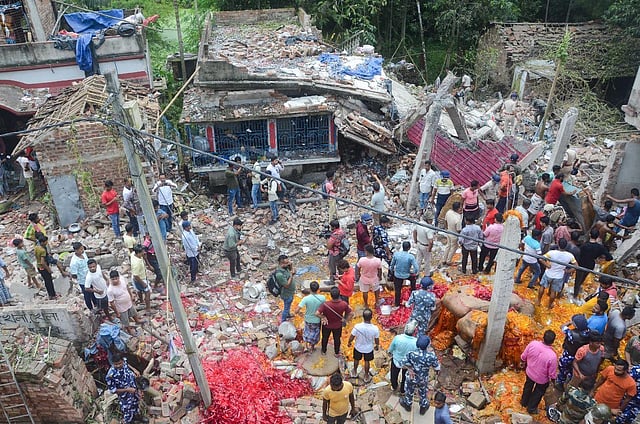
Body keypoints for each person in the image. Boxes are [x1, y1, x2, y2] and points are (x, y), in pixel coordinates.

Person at [400, 335, 440, 415]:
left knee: (409, 391)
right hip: (423, 378)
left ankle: (407, 404)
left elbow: (402, 363)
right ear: (428, 345)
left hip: (411, 377)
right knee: (423, 392)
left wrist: (409, 369)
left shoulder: (411, 354)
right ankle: (423, 407)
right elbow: (437, 368)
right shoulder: (431, 356)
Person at [520, 330, 558, 415]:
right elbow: (552, 374)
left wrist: (522, 362)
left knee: (528, 386)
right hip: (541, 380)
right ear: (553, 341)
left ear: (543, 337)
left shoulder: (533, 344)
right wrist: (553, 382)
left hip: (530, 372)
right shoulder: (552, 356)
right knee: (538, 392)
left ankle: (524, 402)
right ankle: (531, 408)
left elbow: (523, 356)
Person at [106, 353, 148, 424]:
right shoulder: (110, 375)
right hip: (125, 396)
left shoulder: (124, 362)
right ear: (113, 363)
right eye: (116, 364)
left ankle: (136, 417)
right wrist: (127, 390)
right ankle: (129, 421)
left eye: (120, 363)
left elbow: (127, 364)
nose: (118, 366)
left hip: (134, 388)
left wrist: (134, 370)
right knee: (127, 410)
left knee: (136, 404)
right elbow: (113, 390)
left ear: (122, 360)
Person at [537, 238, 576, 309]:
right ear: (566, 246)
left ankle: (538, 301)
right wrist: (568, 271)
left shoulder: (552, 252)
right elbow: (576, 266)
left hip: (548, 273)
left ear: (558, 244)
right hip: (559, 276)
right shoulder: (570, 255)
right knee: (553, 291)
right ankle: (549, 305)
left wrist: (547, 265)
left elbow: (540, 258)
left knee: (542, 286)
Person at [574, 228, 612, 298]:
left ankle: (575, 294)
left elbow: (578, 254)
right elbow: (609, 257)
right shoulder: (600, 247)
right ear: (597, 236)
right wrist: (600, 257)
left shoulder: (584, 245)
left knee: (578, 279)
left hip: (581, 264)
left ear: (590, 235)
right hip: (590, 265)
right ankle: (578, 287)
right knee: (583, 277)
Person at [556, 314, 591, 390]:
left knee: (563, 368)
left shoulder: (571, 334)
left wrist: (570, 322)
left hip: (569, 354)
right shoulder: (589, 333)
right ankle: (569, 380)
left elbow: (562, 326)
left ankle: (560, 383)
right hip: (579, 356)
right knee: (572, 369)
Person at [316, 287, 352, 356]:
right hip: (338, 325)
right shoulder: (343, 304)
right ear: (339, 295)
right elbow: (351, 313)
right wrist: (345, 320)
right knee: (337, 339)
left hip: (326, 325)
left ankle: (323, 351)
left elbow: (317, 313)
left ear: (331, 295)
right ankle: (336, 352)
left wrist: (323, 317)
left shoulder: (326, 304)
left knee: (325, 338)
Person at [107, 270, 145, 335]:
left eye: (116, 278)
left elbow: (127, 287)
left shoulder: (122, 279)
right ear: (110, 279)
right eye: (113, 279)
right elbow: (112, 302)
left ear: (118, 277)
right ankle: (129, 330)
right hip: (121, 307)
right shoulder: (110, 290)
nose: (115, 280)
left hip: (128, 302)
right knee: (125, 320)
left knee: (133, 313)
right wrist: (117, 312)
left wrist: (131, 295)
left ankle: (137, 321)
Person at [348, 308, 379, 383]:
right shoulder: (375, 328)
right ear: (371, 317)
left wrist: (349, 342)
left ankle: (354, 372)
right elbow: (376, 339)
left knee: (356, 359)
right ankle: (366, 376)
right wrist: (377, 345)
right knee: (367, 361)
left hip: (358, 347)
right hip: (368, 349)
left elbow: (352, 336)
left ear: (363, 317)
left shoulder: (357, 326)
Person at [294, 281, 325, 352]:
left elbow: (296, 310)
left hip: (307, 319)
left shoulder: (306, 298)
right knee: (315, 334)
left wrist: (300, 314)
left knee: (306, 332)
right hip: (317, 319)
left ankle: (305, 346)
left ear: (310, 289)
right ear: (318, 289)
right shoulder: (322, 298)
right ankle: (312, 347)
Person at [388, 321, 418, 394]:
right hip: (407, 364)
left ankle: (394, 386)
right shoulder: (416, 342)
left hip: (396, 361)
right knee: (405, 377)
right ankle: (403, 390)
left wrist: (390, 353)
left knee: (394, 374)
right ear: (414, 332)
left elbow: (391, 348)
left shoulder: (398, 338)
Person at [390, 241, 419, 308]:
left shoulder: (396, 254)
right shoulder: (411, 257)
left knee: (397, 290)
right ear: (409, 248)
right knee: (413, 280)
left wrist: (392, 271)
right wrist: (414, 273)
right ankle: (413, 293)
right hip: (407, 274)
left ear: (402, 247)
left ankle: (397, 303)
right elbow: (416, 268)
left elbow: (392, 265)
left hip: (397, 275)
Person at [34, 234, 62, 300]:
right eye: (45, 242)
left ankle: (51, 294)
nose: (47, 243)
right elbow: (43, 262)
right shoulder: (42, 250)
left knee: (47, 281)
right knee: (49, 281)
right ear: (42, 242)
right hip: (43, 267)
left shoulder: (36, 247)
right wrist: (48, 269)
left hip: (39, 266)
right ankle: (52, 295)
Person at [70, 242, 95, 311]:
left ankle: (96, 304)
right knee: (87, 295)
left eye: (82, 248)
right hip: (83, 281)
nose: (82, 250)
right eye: (80, 249)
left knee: (93, 292)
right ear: (76, 250)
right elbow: (74, 274)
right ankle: (91, 309)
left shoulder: (83, 254)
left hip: (90, 277)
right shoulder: (74, 262)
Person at [356, 244, 382, 309]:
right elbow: (380, 270)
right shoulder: (377, 260)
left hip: (364, 278)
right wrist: (380, 276)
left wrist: (358, 275)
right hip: (374, 278)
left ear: (366, 252)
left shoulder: (362, 260)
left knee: (365, 291)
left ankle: (366, 304)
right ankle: (377, 302)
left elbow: (358, 267)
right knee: (376, 290)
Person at [275, 254, 296, 323]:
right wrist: (291, 276)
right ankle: (283, 321)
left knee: (288, 306)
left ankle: (288, 315)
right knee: (286, 308)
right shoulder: (279, 274)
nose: (288, 263)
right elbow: (286, 285)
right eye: (286, 263)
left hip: (290, 292)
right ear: (281, 263)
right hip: (286, 294)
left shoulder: (285, 268)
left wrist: (291, 266)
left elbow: (292, 271)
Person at [413, 210, 435, 276]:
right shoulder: (428, 229)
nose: (432, 221)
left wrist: (415, 240)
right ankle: (427, 274)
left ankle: (416, 273)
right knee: (427, 261)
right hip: (425, 246)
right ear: (427, 219)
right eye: (431, 219)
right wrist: (429, 249)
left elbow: (414, 231)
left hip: (419, 244)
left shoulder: (419, 223)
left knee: (418, 259)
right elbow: (431, 241)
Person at [130, 245, 151, 313]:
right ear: (138, 253)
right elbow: (136, 275)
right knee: (147, 293)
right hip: (140, 278)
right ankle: (148, 309)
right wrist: (143, 283)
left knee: (139, 290)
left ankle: (141, 301)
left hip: (136, 277)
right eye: (142, 252)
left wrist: (145, 258)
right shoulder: (137, 264)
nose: (144, 252)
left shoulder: (133, 254)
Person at [327, 219, 346, 284]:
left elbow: (329, 246)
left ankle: (332, 281)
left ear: (334, 227)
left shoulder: (334, 235)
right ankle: (342, 279)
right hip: (341, 252)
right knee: (340, 266)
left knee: (332, 267)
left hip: (334, 253)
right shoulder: (342, 232)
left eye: (331, 227)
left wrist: (328, 240)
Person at [443, 202, 462, 266]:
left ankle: (444, 259)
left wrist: (447, 228)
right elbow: (458, 229)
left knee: (448, 246)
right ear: (458, 209)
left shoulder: (449, 212)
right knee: (453, 248)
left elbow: (445, 221)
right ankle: (448, 261)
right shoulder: (458, 218)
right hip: (454, 234)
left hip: (449, 231)